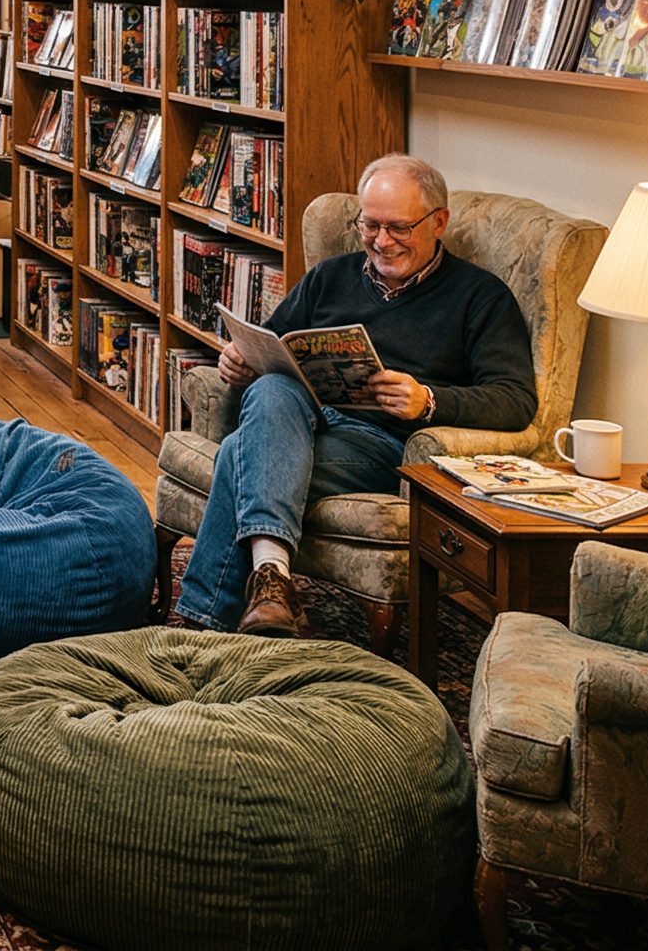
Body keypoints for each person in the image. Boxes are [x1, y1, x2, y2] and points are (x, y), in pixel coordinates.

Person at [173, 153, 536, 638]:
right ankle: (272, 583)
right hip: (298, 421)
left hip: (381, 445)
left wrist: (428, 400)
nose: (381, 241)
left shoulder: (480, 298)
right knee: (275, 385)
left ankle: (205, 623)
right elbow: (273, 343)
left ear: (439, 222)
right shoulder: (331, 276)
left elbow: (515, 401)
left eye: (399, 227)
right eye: (370, 225)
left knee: (241, 454)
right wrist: (238, 360)